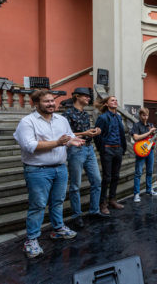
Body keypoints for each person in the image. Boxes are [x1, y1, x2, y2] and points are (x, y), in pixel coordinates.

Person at [14, 90, 84, 258]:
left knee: (58, 201)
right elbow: (29, 146)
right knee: (38, 205)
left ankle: (58, 228)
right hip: (37, 170)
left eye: (52, 101)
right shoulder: (27, 122)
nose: (51, 104)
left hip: (60, 168)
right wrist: (58, 142)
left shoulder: (62, 119)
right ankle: (31, 240)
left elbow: (70, 137)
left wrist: (74, 141)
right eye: (46, 102)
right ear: (36, 104)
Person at [63, 88, 107, 229]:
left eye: (89, 96)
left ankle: (94, 210)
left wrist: (95, 132)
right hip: (75, 150)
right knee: (75, 185)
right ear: (77, 96)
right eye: (86, 96)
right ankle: (77, 215)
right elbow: (65, 134)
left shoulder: (85, 113)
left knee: (97, 181)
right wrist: (84, 132)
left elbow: (87, 132)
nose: (89, 98)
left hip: (89, 149)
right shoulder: (67, 113)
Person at [94, 96, 127, 215]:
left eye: (116, 100)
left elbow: (122, 133)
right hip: (107, 150)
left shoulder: (118, 117)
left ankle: (112, 199)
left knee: (116, 176)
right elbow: (97, 135)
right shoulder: (102, 117)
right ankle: (102, 203)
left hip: (118, 149)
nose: (115, 102)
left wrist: (123, 148)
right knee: (107, 177)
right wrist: (102, 149)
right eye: (112, 100)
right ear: (107, 104)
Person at [131, 107, 157, 203]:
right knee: (138, 173)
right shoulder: (136, 125)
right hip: (141, 151)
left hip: (150, 151)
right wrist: (149, 132)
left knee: (150, 171)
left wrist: (155, 134)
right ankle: (136, 194)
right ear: (140, 115)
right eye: (143, 115)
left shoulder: (150, 125)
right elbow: (136, 138)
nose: (145, 117)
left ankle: (149, 190)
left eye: (147, 115)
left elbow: (152, 139)